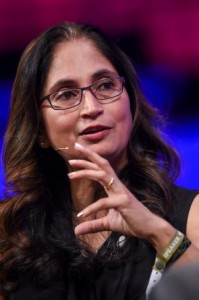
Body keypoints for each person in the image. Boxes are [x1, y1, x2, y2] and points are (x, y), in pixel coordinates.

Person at [0, 21, 198, 300]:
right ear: (40, 129)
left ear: (130, 102)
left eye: (105, 85)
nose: (92, 108)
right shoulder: (11, 230)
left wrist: (158, 232)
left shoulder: (191, 215)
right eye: (66, 94)